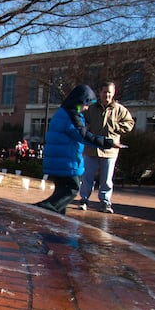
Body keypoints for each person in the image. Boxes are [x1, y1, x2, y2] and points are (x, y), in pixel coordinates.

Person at [35, 85, 124, 215]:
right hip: (67, 162)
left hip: (59, 160)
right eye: (86, 104)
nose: (87, 108)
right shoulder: (72, 115)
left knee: (61, 195)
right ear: (81, 102)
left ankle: (56, 223)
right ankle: (41, 208)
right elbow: (83, 136)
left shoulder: (63, 112)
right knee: (72, 189)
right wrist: (108, 142)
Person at [78, 81, 134, 213]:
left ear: (113, 93)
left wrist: (116, 127)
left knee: (107, 179)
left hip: (110, 150)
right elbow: (81, 118)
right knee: (87, 177)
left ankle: (105, 202)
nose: (107, 95)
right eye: (104, 92)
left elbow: (130, 124)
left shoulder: (119, 109)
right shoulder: (91, 108)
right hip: (91, 148)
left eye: (109, 92)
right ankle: (84, 200)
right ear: (100, 93)